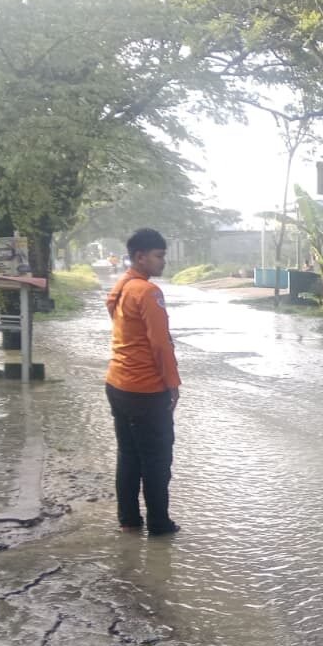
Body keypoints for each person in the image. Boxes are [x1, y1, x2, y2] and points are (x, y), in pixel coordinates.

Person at [105, 229, 181, 536]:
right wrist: (172, 383)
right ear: (141, 257)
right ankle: (159, 525)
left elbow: (113, 310)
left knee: (128, 454)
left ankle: (129, 521)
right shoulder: (149, 293)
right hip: (145, 390)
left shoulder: (123, 286)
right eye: (159, 256)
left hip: (117, 383)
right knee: (157, 458)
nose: (163, 262)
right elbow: (160, 344)